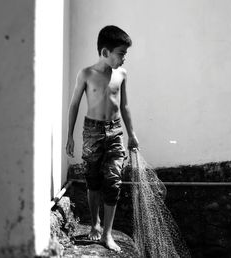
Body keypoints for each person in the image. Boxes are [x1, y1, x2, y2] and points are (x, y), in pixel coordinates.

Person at [66, 25, 139, 252]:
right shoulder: (86, 74)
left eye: (125, 54)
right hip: (92, 131)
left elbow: (124, 105)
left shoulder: (122, 75)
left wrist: (132, 134)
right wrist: (70, 135)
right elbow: (75, 104)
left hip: (115, 131)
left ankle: (107, 234)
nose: (124, 59)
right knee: (93, 179)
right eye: (121, 54)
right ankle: (95, 223)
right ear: (105, 52)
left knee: (113, 181)